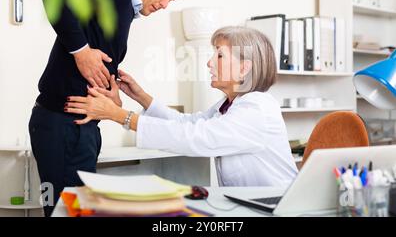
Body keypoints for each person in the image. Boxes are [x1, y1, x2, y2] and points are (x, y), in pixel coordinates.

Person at [29, 0, 186, 216]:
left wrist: (111, 91)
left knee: (77, 211)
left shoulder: (123, 9)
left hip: (79, 129)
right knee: (66, 212)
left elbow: (96, 57)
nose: (165, 4)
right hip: (63, 125)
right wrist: (81, 52)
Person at [65, 26, 299, 187]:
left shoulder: (257, 109)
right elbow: (187, 123)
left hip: (279, 208)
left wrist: (118, 115)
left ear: (244, 68)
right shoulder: (228, 106)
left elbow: (196, 137)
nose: (209, 62)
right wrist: (142, 97)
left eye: (219, 55)